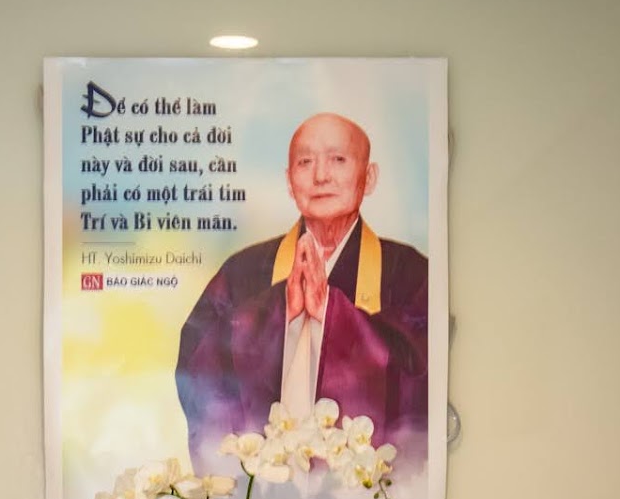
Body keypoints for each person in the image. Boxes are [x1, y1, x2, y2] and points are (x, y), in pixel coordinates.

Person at [175, 111, 429, 472]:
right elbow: (198, 369)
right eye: (305, 162)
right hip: (265, 493)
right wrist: (277, 313)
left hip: (363, 498)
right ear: (289, 181)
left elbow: (423, 376)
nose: (320, 175)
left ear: (369, 177)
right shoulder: (243, 270)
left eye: (338, 159)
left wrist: (333, 314)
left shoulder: (411, 273)